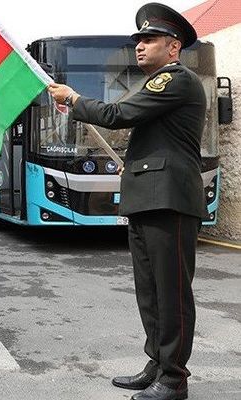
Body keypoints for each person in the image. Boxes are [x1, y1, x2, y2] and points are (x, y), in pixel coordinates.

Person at [48, 4, 205, 400]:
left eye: (149, 39)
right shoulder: (158, 83)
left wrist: (74, 97)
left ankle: (174, 379)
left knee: (172, 293)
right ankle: (157, 363)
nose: (139, 46)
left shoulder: (175, 79)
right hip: (148, 197)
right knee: (150, 291)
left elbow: (118, 114)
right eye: (138, 40)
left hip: (167, 201)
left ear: (173, 48)